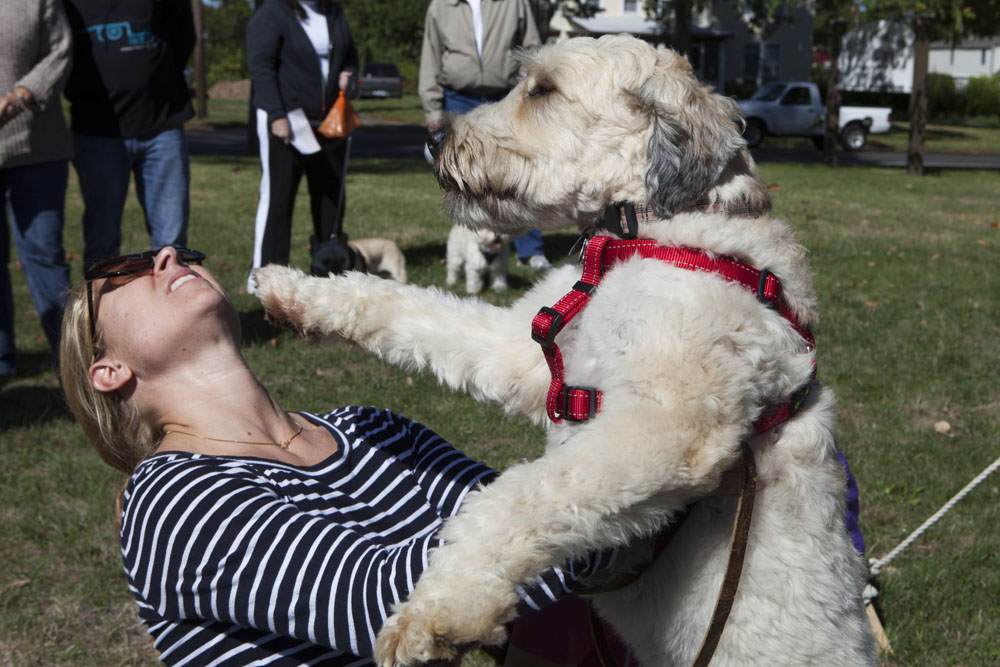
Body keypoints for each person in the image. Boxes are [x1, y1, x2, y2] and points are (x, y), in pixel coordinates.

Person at [59, 245, 629, 664]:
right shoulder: (172, 501)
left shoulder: (370, 427)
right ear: (109, 371)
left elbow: (565, 555)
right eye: (122, 271)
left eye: (182, 253)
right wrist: (627, 474)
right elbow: (393, 607)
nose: (165, 255)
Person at [419, 0, 553, 272]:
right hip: (457, 98)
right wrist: (433, 110)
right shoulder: (442, 6)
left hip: (505, 96)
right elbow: (430, 58)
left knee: (519, 172)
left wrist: (535, 95)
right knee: (466, 179)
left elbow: (532, 48)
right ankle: (474, 247)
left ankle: (530, 251)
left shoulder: (514, 3)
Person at [62, 0, 195, 269]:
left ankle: (169, 311)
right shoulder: (67, 4)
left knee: (171, 244)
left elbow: (184, 36)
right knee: (102, 241)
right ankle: (100, 310)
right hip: (96, 131)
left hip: (163, 126)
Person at [246, 0, 361, 293]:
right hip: (286, 120)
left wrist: (349, 75)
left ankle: (329, 269)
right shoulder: (271, 13)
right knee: (279, 198)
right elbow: (261, 68)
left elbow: (349, 56)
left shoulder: (333, 12)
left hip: (329, 121)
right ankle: (267, 280)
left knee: (330, 196)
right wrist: (276, 115)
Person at [0, 0, 73, 379]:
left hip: (38, 149)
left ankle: (71, 360)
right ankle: (2, 359)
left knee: (44, 256)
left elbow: (60, 50)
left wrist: (21, 95)